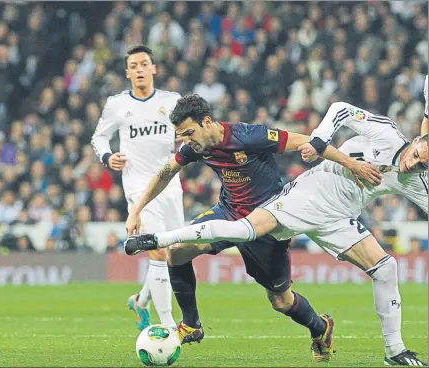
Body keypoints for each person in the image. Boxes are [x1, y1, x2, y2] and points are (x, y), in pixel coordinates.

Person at [125, 101, 428, 367]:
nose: (186, 141)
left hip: (276, 216)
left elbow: (301, 141)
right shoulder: (195, 147)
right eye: (182, 136)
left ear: (206, 122)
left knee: (281, 301)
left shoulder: (249, 136)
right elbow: (165, 172)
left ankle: (323, 328)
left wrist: (339, 158)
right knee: (179, 250)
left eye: (188, 133)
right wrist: (136, 210)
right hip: (236, 211)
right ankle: (191, 324)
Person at [91, 44, 182, 331]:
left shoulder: (173, 101)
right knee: (156, 250)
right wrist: (108, 156)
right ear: (127, 72)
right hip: (138, 188)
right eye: (134, 66)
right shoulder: (117, 104)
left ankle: (141, 302)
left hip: (171, 185)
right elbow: (99, 138)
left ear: (154, 68)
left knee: (173, 253)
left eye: (145, 64)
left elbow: (187, 132)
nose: (140, 70)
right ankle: (168, 328)